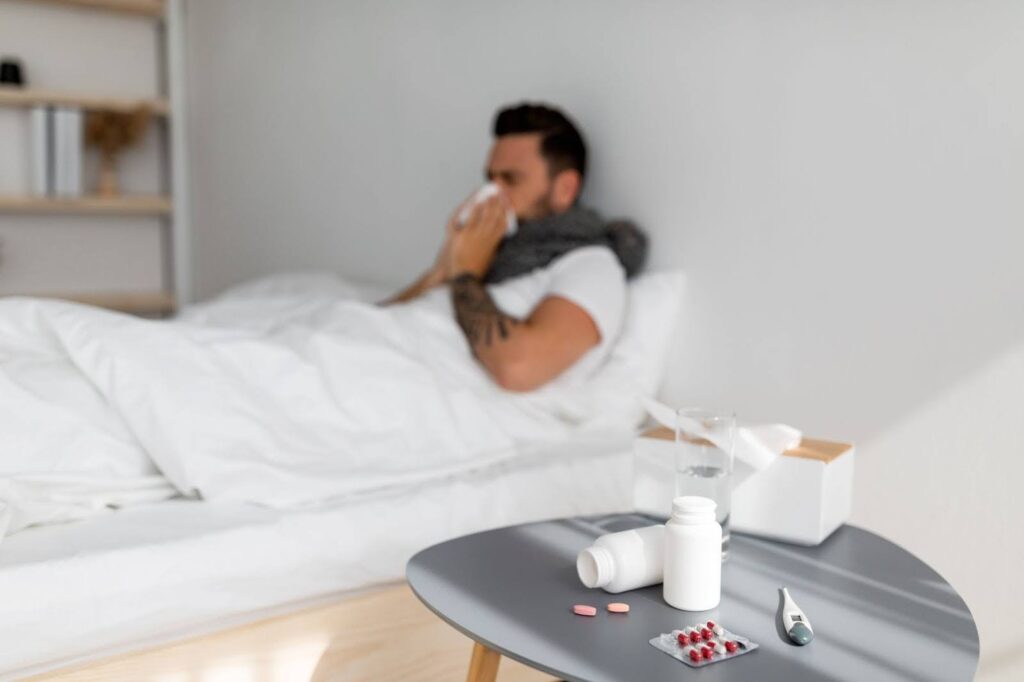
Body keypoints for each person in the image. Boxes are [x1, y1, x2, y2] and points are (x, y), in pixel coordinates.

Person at [387, 103, 646, 391]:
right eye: (490, 179)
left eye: (510, 179)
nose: (492, 195)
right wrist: (443, 268)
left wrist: (465, 275)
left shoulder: (592, 265)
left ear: (565, 189)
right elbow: (382, 319)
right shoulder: (492, 255)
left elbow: (518, 369)